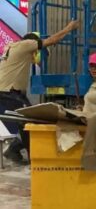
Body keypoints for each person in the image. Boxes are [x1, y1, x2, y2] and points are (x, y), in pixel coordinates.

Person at [0, 20, 80, 163]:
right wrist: (69, 28)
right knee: (27, 121)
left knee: (28, 121)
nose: (35, 54)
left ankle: (14, 150)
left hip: (10, 92)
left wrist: (44, 52)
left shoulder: (13, 47)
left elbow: (34, 60)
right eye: (36, 49)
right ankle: (33, 159)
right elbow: (52, 40)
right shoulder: (26, 45)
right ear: (32, 43)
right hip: (9, 92)